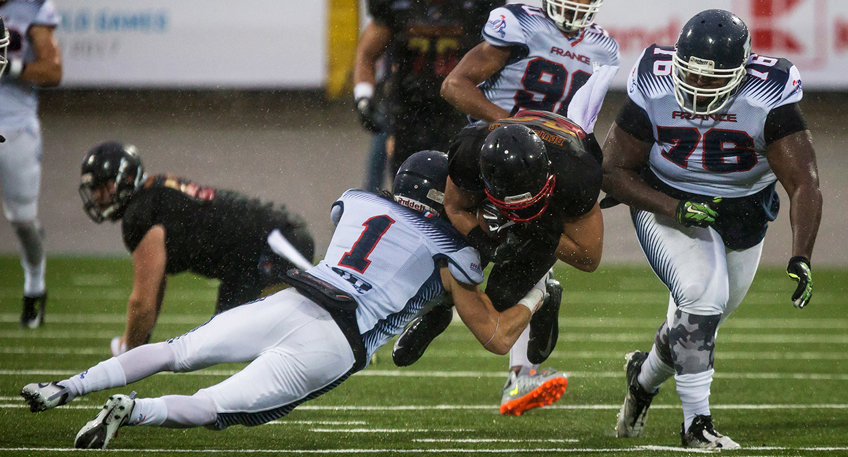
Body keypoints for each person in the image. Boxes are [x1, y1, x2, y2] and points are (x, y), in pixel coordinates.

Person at [21, 150, 552, 450]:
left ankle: (66, 386)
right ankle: (136, 412)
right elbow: (494, 334)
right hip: (336, 339)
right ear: (443, 197)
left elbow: (383, 236)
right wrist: (533, 290)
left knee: (176, 350)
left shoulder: (360, 203)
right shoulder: (453, 253)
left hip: (297, 298)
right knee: (215, 406)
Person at [601, 10, 821, 450]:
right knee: (703, 297)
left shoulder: (767, 95)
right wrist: (674, 206)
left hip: (743, 213)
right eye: (691, 75)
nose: (698, 87)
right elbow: (612, 170)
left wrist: (801, 254)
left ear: (740, 73)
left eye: (711, 78)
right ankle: (696, 425)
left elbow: (804, 182)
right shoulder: (655, 83)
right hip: (666, 199)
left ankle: (642, 381)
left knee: (696, 323)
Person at [393, 110, 605, 417]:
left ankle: (543, 294)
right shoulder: (469, 153)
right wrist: (481, 241)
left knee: (502, 300)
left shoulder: (576, 173)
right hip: (493, 197)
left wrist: (532, 230)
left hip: (545, 215)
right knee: (432, 216)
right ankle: (440, 302)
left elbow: (589, 257)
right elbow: (454, 205)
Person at [77, 142, 316, 356]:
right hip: (248, 263)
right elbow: (154, 287)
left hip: (279, 242)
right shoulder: (152, 196)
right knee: (225, 338)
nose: (97, 197)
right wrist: (136, 344)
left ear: (126, 179)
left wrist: (128, 349)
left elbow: (142, 304)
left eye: (103, 187)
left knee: (314, 306)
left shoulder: (141, 212)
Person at [353, 0, 503, 177]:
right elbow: (368, 53)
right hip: (410, 108)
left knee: (460, 182)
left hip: (461, 108)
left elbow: (499, 56)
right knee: (407, 184)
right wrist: (363, 96)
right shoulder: (396, 6)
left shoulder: (477, 6)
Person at [441, 0, 618, 125]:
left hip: (557, 149)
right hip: (495, 133)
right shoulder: (523, 22)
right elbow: (454, 85)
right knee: (463, 166)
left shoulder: (604, 47)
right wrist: (511, 122)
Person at [0, 0, 62, 328]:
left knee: (23, 220)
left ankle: (34, 285)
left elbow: (53, 70)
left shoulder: (33, 7)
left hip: (15, 125)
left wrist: (9, 68)